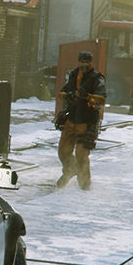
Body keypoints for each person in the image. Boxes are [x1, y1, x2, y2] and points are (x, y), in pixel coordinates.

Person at [56, 50, 106, 190]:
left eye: (87, 62)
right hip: (71, 119)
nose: (84, 64)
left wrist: (88, 96)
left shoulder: (97, 78)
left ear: (91, 62)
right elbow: (63, 91)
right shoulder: (73, 75)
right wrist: (69, 95)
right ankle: (71, 169)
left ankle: (84, 186)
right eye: (82, 61)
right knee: (63, 151)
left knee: (81, 155)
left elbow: (101, 97)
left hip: (87, 121)